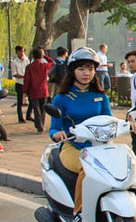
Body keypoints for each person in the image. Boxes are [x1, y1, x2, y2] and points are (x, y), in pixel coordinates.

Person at [48, 49, 113, 211]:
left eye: (90, 69)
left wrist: (129, 124)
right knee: (88, 168)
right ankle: (80, 211)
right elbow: (54, 128)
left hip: (100, 147)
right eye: (81, 69)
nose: (86, 73)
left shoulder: (101, 97)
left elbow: (109, 121)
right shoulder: (62, 98)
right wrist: (57, 134)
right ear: (72, 71)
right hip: (73, 146)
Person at [23, 49, 54, 133]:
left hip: (33, 91)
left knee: (36, 109)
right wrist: (45, 56)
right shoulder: (44, 65)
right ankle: (42, 125)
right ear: (41, 56)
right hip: (43, 90)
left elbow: (26, 80)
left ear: (33, 56)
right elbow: (52, 62)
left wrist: (25, 91)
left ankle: (39, 127)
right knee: (43, 109)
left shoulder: (29, 67)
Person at [9, 45, 30, 122]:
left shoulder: (26, 60)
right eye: (20, 51)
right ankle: (20, 117)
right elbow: (14, 74)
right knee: (19, 101)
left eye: (23, 51)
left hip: (27, 82)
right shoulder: (14, 62)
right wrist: (24, 76)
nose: (22, 53)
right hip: (19, 82)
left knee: (31, 99)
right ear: (17, 52)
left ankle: (28, 115)